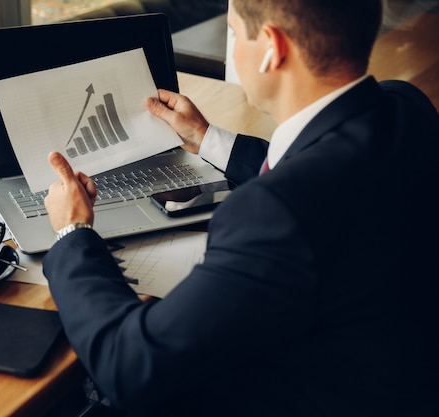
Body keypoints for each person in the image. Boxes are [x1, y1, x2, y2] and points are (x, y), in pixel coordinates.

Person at [42, 0, 439, 415]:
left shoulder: (273, 212)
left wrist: (72, 232)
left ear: (272, 46)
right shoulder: (404, 106)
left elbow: (127, 366)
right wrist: (208, 139)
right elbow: (323, 166)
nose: (233, 49)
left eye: (234, 31)